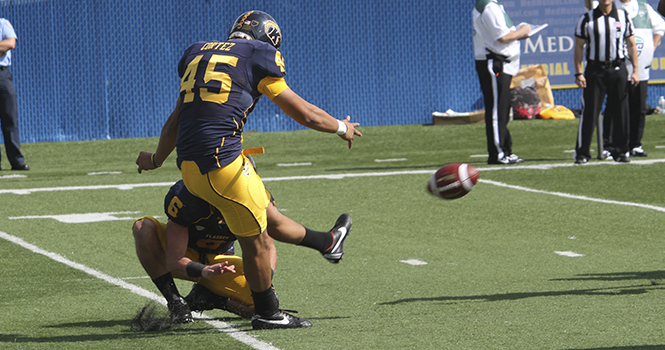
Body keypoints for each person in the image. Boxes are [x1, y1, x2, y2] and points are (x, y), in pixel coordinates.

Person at [135, 10, 361, 330]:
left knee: (264, 224)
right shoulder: (259, 55)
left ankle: (322, 245)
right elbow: (305, 114)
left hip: (188, 166)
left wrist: (156, 159)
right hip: (222, 165)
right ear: (268, 39)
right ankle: (267, 313)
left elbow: (177, 118)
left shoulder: (197, 52)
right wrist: (341, 127)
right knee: (260, 242)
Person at [132, 178, 352, 324]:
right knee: (143, 228)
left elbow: (267, 245)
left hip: (223, 262)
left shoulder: (256, 199)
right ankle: (176, 302)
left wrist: (264, 285)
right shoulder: (187, 197)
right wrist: (204, 270)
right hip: (188, 258)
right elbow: (174, 259)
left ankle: (213, 299)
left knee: (262, 305)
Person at [573, 0, 639, 164]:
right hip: (595, 70)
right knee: (590, 111)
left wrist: (636, 70)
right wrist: (578, 72)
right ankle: (583, 153)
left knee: (621, 111)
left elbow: (631, 45)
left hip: (618, 68)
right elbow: (579, 47)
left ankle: (621, 151)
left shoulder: (623, 17)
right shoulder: (587, 19)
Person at [600, 0, 664, 159]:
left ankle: (635, 144)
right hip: (619, 67)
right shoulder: (611, 7)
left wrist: (652, 46)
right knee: (614, 107)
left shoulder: (644, 8)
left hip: (641, 68)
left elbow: (660, 27)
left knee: (639, 108)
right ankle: (608, 145)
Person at [473, 0, 530, 165]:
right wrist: (523, 31)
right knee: (497, 111)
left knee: (502, 110)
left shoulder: (492, 6)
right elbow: (502, 37)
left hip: (501, 63)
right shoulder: (489, 7)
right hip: (495, 63)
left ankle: (505, 149)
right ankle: (498, 153)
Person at [0, 18, 27, 171]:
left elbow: (10, 44)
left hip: (2, 75)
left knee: (10, 119)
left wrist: (4, 46)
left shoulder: (3, 23)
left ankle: (16, 161)